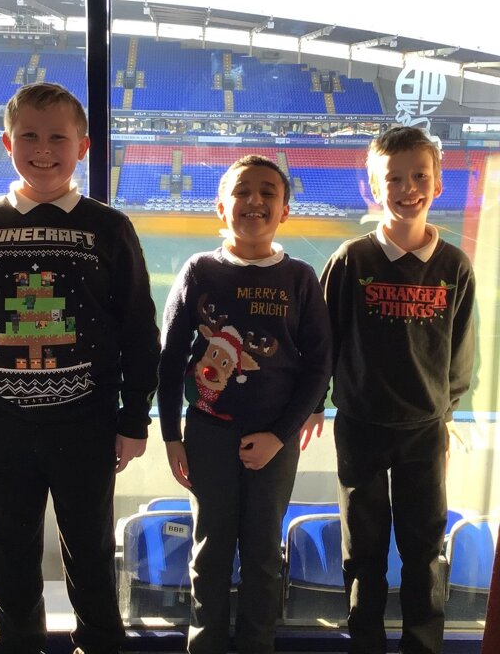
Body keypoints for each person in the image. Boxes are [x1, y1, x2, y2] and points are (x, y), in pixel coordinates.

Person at [0, 82, 160, 654]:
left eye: (58, 137)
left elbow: (138, 329)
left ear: (83, 146)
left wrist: (135, 418)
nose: (43, 149)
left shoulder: (109, 227)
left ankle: (100, 643)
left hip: (86, 424)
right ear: (8, 143)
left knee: (90, 551)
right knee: (7, 555)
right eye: (29, 135)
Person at [158, 154, 332, 654]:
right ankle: (205, 643)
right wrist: (171, 436)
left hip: (276, 440)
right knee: (210, 550)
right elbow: (170, 359)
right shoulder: (199, 271)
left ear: (285, 211)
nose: (254, 201)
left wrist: (280, 434)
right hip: (207, 433)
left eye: (267, 193)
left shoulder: (300, 278)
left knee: (262, 554)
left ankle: (258, 645)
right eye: (241, 191)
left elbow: (319, 366)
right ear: (220, 207)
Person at [319, 126, 476, 654]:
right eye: (394, 178)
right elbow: (324, 341)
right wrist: (314, 404)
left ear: (437, 184)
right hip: (360, 427)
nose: (408, 188)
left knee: (422, 550)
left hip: (424, 432)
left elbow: (460, 350)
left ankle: (422, 645)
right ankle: (364, 642)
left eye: (419, 176)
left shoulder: (454, 266)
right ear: (373, 187)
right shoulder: (351, 260)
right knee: (362, 552)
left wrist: (445, 411)